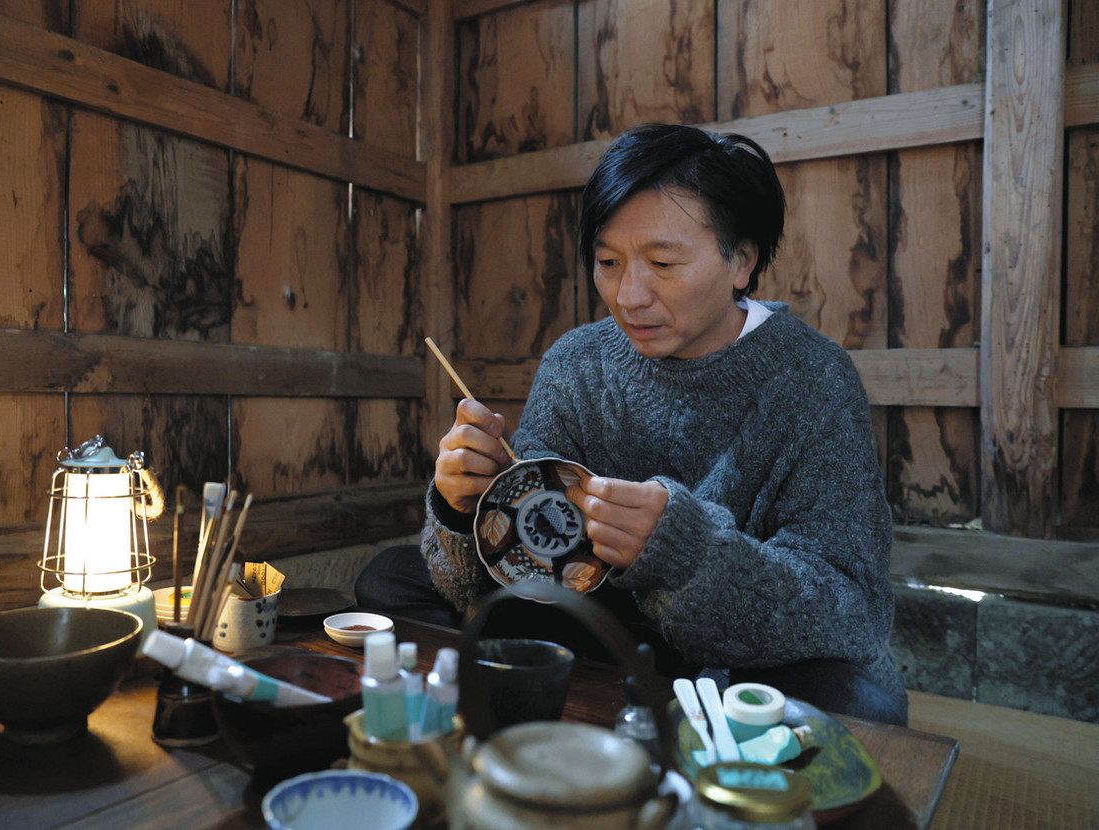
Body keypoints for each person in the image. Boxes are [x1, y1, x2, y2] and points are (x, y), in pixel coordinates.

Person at [356, 123, 907, 725]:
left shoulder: (813, 379)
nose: (628, 296)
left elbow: (849, 609)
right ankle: (612, 708)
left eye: (663, 262)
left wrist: (683, 554)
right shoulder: (578, 363)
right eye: (608, 262)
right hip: (605, 628)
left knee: (859, 704)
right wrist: (467, 511)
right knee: (391, 581)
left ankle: (599, 703)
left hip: (739, 655)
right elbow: (518, 577)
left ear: (741, 261)